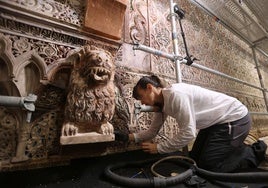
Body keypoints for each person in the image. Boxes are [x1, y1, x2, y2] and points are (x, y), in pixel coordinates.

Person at [115, 75, 267, 172]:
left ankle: (254, 151)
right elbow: (152, 132)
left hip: (236, 118)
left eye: (142, 97)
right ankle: (230, 146)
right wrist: (129, 137)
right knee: (195, 159)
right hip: (216, 123)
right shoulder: (162, 105)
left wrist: (159, 148)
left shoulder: (175, 95)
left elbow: (188, 133)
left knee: (209, 165)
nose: (142, 102)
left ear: (150, 88)